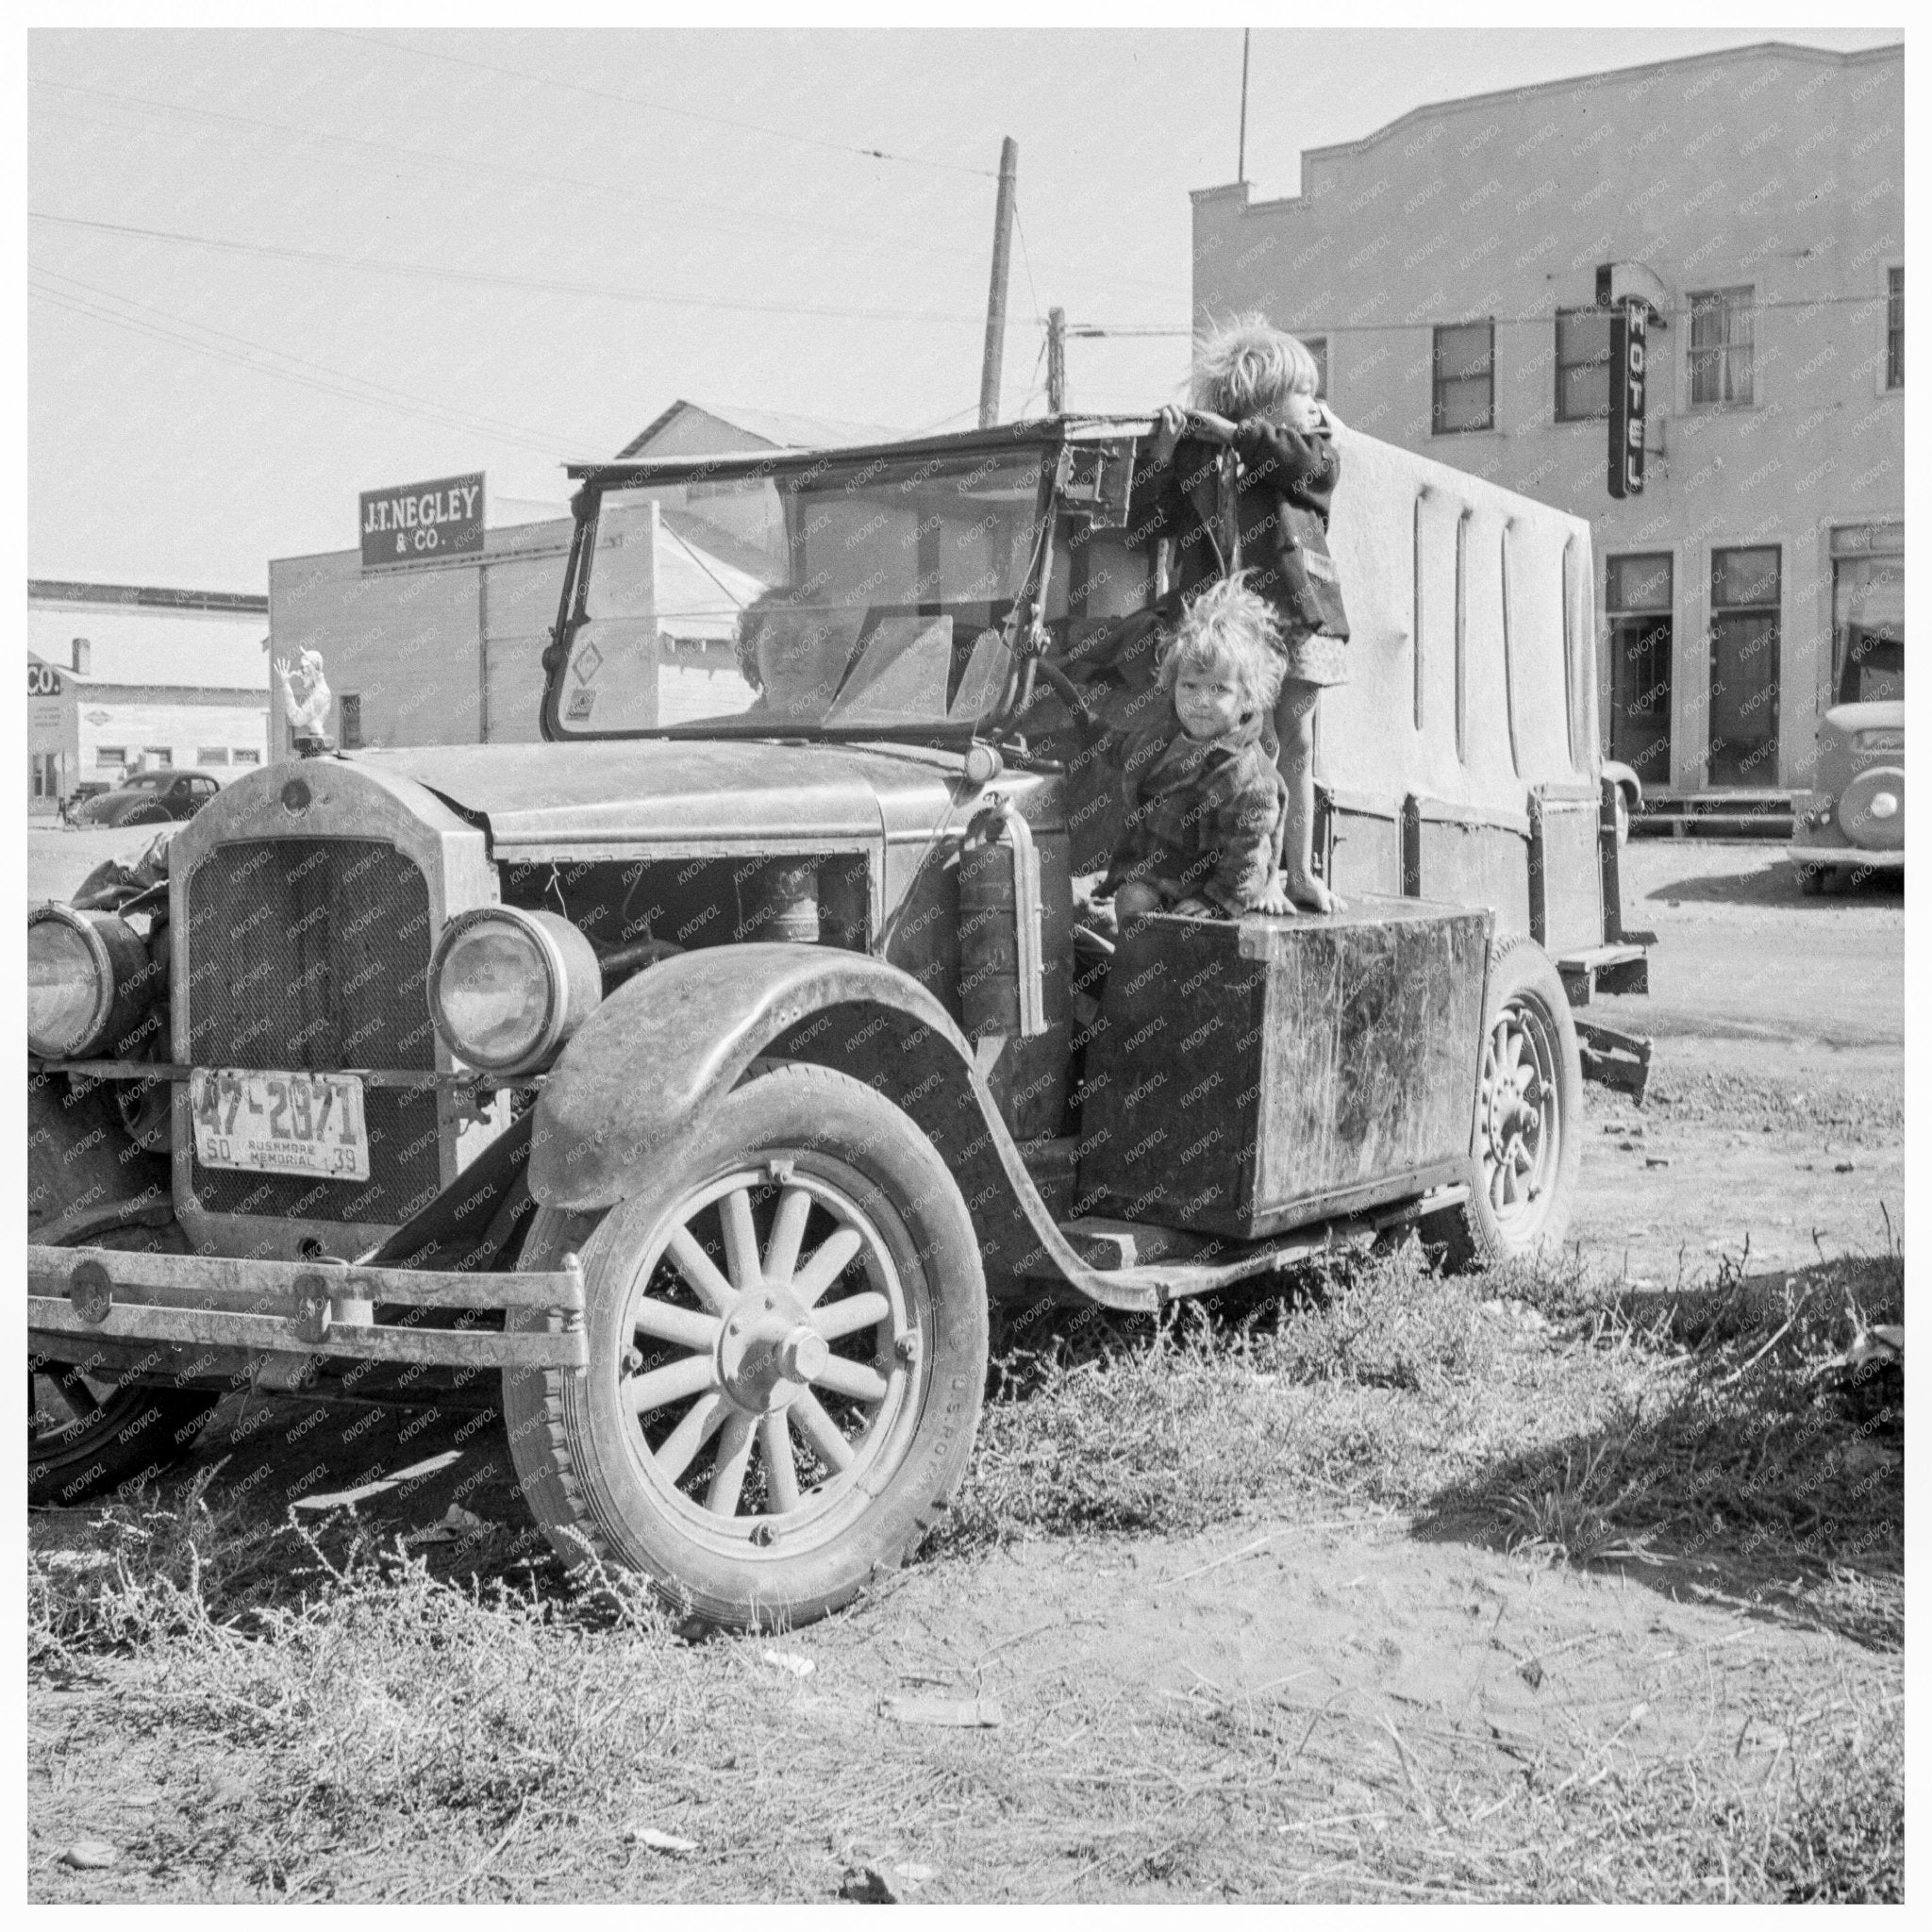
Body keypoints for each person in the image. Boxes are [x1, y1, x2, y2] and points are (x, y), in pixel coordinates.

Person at [1136, 316, 1351, 913]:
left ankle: (1298, 871)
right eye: (1303, 393)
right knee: (1238, 753)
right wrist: (1162, 455)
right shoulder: (1202, 458)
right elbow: (1151, 525)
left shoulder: (1309, 452)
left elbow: (1313, 472)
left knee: (1296, 741)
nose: (1316, 405)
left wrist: (1237, 433)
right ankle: (1251, 874)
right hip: (1230, 628)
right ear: (1261, 397)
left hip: (1291, 619)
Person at [1041, 575, 1291, 923]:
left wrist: (1216, 900)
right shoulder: (1161, 740)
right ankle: (1136, 967)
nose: (1200, 701)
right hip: (1162, 876)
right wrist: (1080, 714)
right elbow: (1118, 747)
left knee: (1182, 925)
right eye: (1189, 686)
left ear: (1249, 697)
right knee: (1131, 900)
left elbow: (1247, 855)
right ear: (1171, 685)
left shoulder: (1247, 778)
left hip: (1216, 886)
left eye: (1219, 690)